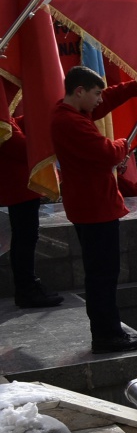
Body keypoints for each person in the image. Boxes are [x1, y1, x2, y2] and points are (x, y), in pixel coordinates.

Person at [50, 65, 137, 352]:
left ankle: (108, 331)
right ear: (79, 92)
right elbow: (107, 154)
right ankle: (106, 335)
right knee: (102, 275)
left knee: (102, 274)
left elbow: (111, 97)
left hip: (92, 207)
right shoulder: (70, 122)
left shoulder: (72, 112)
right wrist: (122, 145)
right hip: (95, 210)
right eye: (95, 94)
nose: (99, 100)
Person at [0, 117, 63, 308]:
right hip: (19, 189)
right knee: (25, 238)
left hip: (21, 188)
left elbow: (14, 125)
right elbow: (21, 146)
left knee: (25, 237)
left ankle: (28, 286)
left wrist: (36, 115)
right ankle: (27, 289)